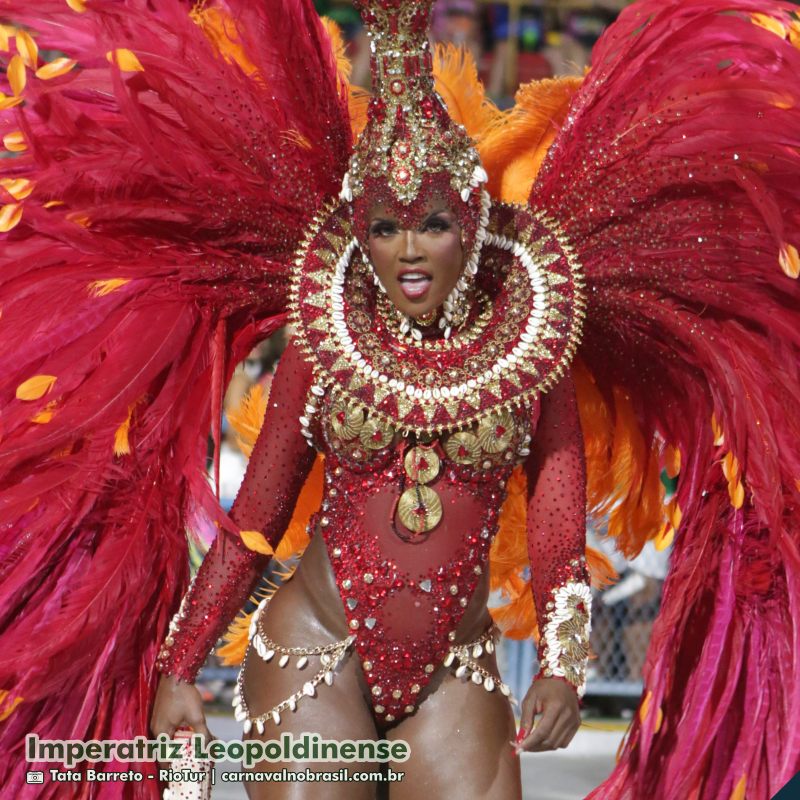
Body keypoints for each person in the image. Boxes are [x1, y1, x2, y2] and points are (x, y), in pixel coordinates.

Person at [1, 1, 799, 799]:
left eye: (435, 225)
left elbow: (559, 539)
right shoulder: (324, 346)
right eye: (384, 227)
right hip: (315, 656)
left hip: (456, 669)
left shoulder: (533, 347)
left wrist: (561, 667)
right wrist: (180, 666)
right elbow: (255, 524)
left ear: (474, 221)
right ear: (359, 230)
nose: (409, 251)